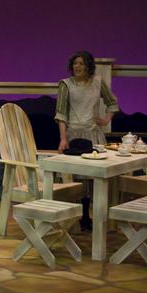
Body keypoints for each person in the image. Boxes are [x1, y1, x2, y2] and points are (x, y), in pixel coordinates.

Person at [55, 50, 119, 230]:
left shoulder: (98, 83)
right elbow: (61, 114)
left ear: (88, 66)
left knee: (93, 177)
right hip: (74, 135)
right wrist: (63, 138)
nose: (78, 66)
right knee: (77, 177)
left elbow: (112, 103)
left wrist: (106, 119)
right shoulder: (66, 85)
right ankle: (80, 215)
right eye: (75, 63)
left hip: (93, 135)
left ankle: (93, 216)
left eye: (82, 63)